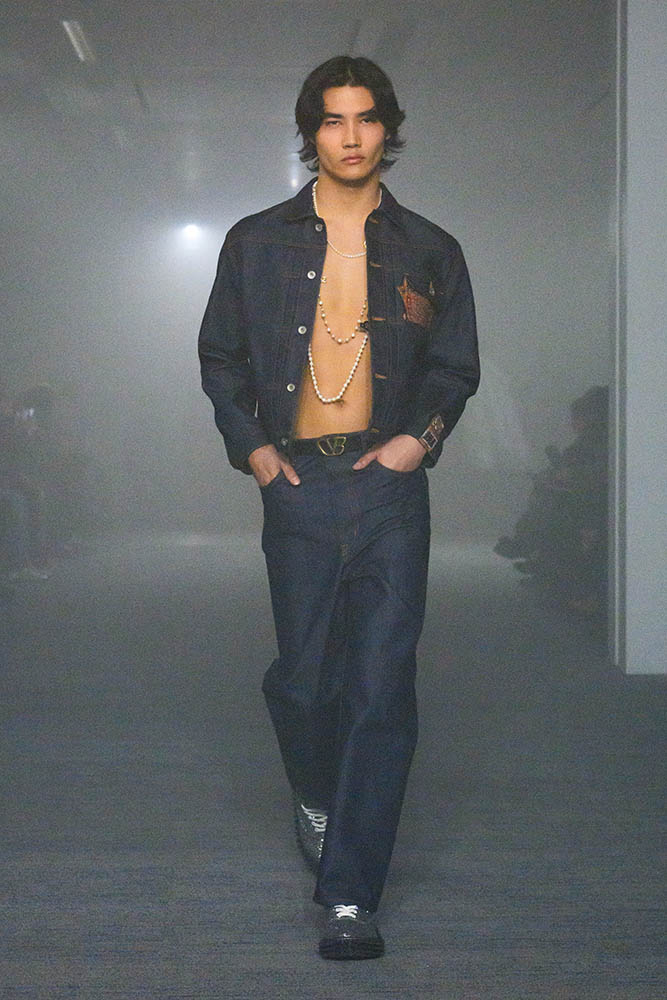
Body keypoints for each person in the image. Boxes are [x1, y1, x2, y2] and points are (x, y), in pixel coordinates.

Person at [199, 55, 479, 959]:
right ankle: (317, 791)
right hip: (299, 484)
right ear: (310, 132)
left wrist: (414, 444)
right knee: (306, 680)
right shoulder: (255, 242)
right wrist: (253, 448)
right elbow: (220, 357)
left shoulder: (429, 247)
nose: (350, 136)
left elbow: (454, 367)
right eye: (331, 119)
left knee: (381, 686)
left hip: (389, 485)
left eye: (364, 118)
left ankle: (351, 896)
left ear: (386, 129)